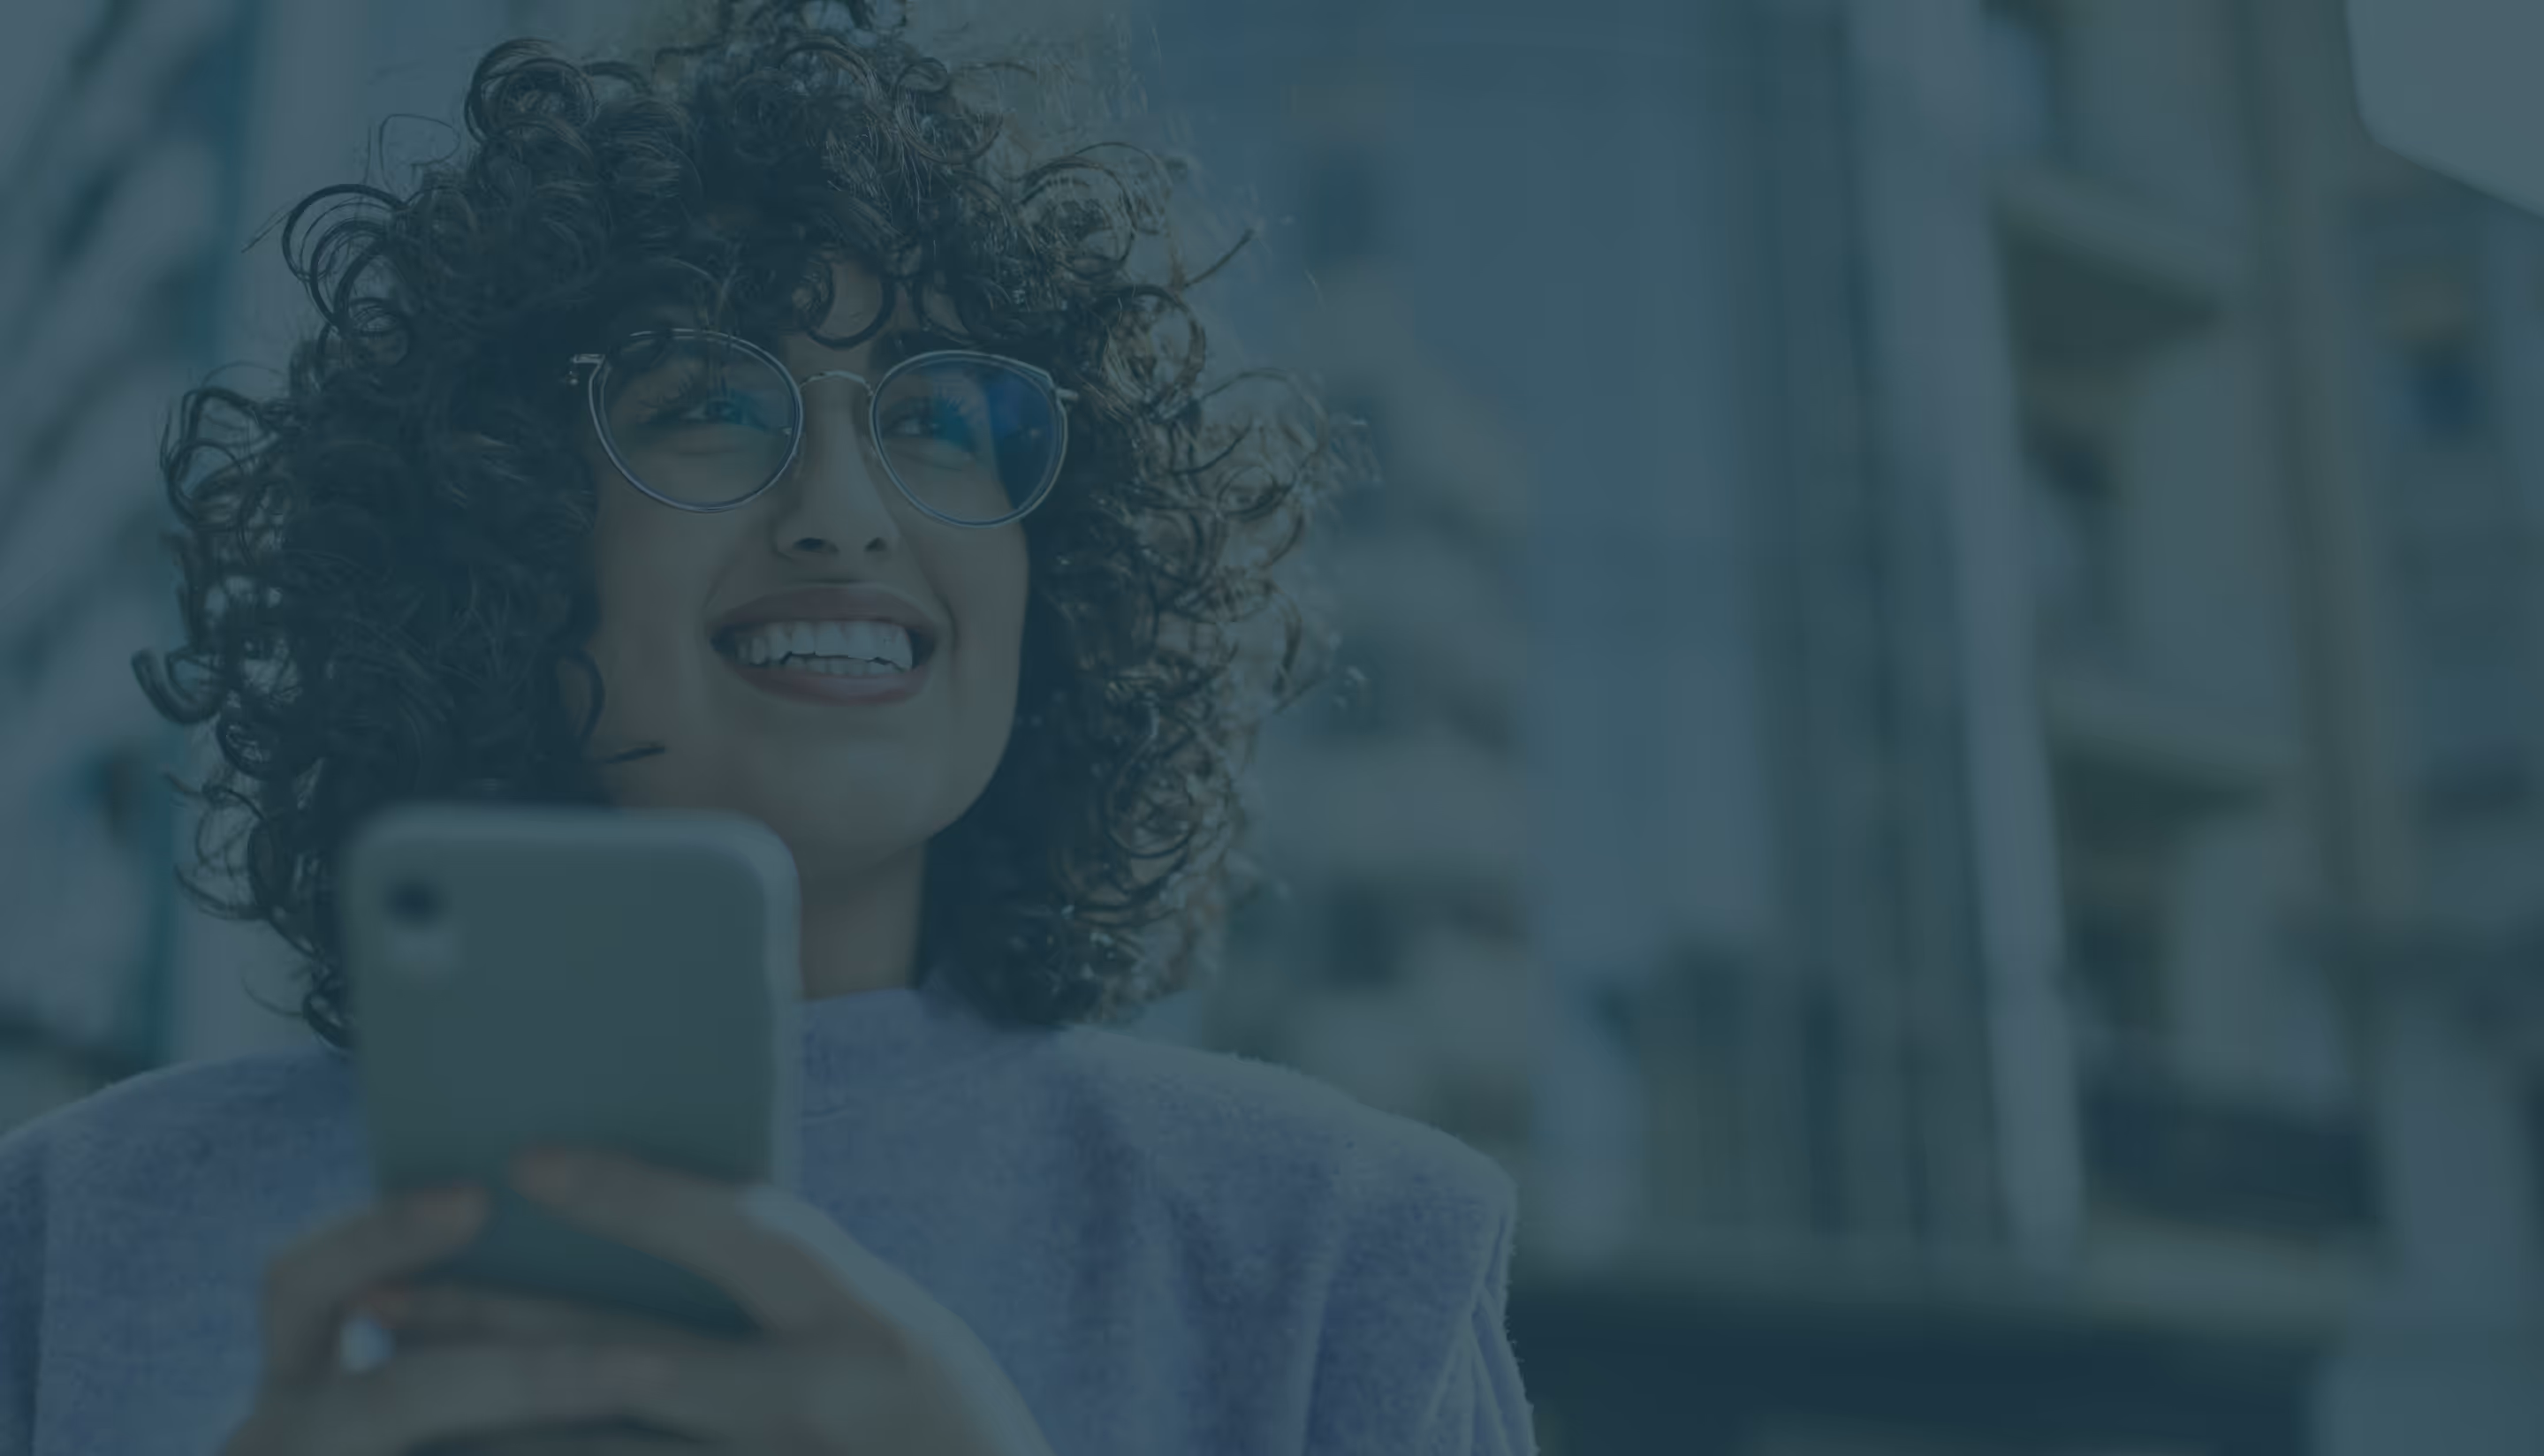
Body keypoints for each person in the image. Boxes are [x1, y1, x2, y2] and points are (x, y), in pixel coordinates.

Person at [0, 2, 1538, 1452]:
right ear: (510, 532)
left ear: (1052, 571)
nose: (844, 516)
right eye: (711, 405)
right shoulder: (79, 1225)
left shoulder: (1343, 1254)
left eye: (941, 418)